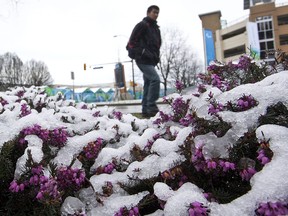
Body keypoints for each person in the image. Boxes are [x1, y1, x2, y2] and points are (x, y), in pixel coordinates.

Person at [126, 5, 161, 118]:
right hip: (142, 59)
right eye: (154, 12)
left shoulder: (156, 29)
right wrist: (140, 52)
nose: (156, 15)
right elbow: (131, 42)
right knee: (155, 79)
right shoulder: (142, 25)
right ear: (148, 13)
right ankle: (151, 107)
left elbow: (157, 46)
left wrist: (156, 57)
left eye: (157, 13)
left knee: (148, 83)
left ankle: (145, 110)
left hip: (151, 60)